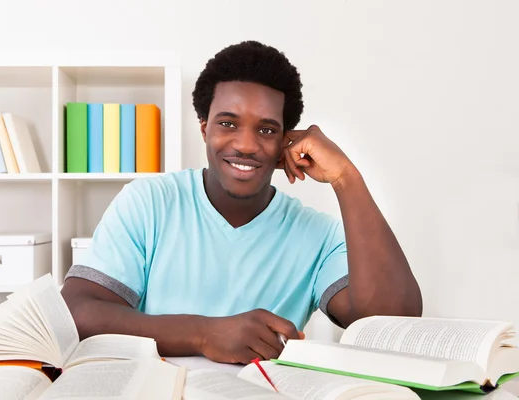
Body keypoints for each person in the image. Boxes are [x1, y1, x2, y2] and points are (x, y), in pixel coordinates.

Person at [61, 40, 423, 365]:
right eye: (228, 124)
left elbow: (392, 325)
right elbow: (77, 311)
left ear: (286, 140)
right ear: (204, 128)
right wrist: (204, 334)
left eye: (266, 130)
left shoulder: (319, 236)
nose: (247, 144)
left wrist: (347, 178)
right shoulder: (150, 202)